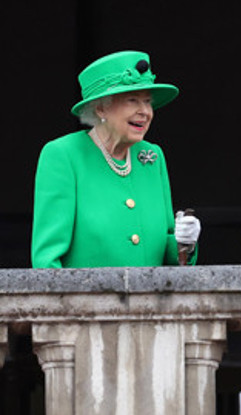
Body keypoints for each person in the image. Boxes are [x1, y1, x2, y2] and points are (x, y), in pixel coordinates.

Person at [32, 51, 201, 268]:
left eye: (148, 101)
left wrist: (184, 244)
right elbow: (46, 261)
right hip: (86, 301)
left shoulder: (152, 157)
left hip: (151, 300)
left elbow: (166, 254)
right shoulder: (63, 155)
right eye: (133, 100)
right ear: (101, 107)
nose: (145, 112)